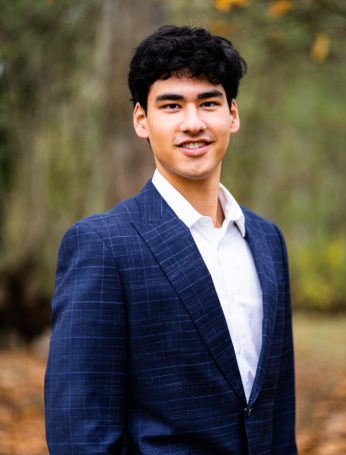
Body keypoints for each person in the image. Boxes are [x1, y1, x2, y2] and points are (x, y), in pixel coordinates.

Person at [45, 25, 297, 454]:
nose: (193, 123)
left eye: (209, 102)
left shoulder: (267, 241)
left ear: (232, 115)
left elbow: (277, 414)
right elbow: (78, 432)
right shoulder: (102, 245)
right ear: (142, 120)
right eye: (172, 105)